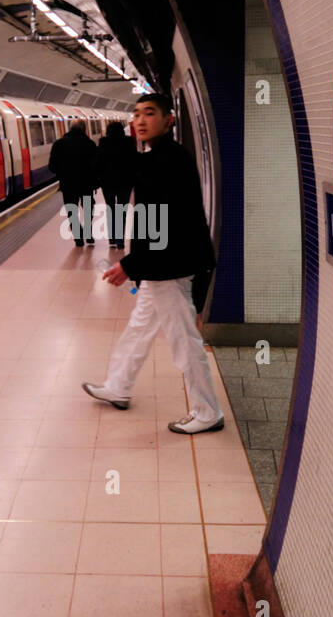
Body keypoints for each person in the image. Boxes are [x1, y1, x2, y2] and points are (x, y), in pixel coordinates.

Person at [82, 93, 224, 434]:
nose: (140, 120)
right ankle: (118, 385)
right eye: (136, 114)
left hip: (170, 266)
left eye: (149, 113)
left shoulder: (167, 161)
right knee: (139, 328)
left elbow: (164, 225)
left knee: (183, 340)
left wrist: (130, 265)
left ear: (169, 119)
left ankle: (207, 411)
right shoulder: (160, 157)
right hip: (162, 264)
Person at [48, 122, 99, 246]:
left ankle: (78, 237)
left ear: (70, 129)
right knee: (88, 208)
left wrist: (62, 173)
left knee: (71, 209)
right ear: (84, 129)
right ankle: (88, 232)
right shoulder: (90, 144)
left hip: (68, 184)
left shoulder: (59, 144)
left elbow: (52, 166)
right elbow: (96, 166)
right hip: (86, 184)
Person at [96, 121, 136, 249]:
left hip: (107, 182)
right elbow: (133, 160)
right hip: (125, 181)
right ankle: (120, 240)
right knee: (121, 210)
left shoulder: (103, 143)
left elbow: (98, 162)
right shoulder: (129, 142)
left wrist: (99, 177)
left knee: (110, 208)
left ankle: (112, 238)